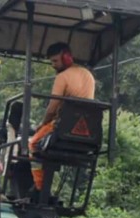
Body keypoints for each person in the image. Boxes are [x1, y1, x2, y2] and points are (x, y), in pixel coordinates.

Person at [29, 42, 96, 191]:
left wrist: (42, 124)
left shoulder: (63, 77)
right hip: (88, 132)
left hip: (63, 126)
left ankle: (39, 188)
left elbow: (53, 107)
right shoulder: (88, 75)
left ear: (67, 58)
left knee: (33, 143)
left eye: (55, 61)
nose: (53, 65)